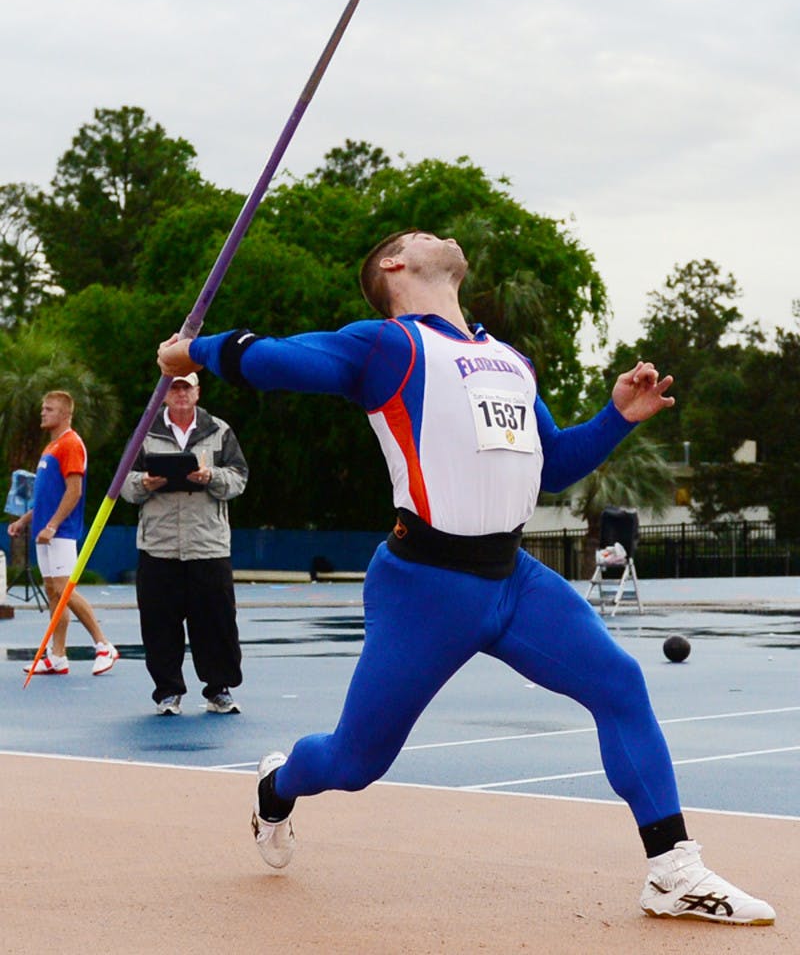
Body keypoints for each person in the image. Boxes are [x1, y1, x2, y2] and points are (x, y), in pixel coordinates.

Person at [157, 229, 775, 926]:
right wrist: (192, 353)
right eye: (420, 236)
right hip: (427, 586)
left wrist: (614, 418)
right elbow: (270, 362)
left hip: (514, 579)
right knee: (355, 764)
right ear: (395, 265)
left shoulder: (507, 361)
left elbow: (552, 465)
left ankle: (672, 870)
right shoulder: (390, 345)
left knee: (620, 684)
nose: (441, 235)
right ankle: (279, 785)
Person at [120, 372, 248, 716]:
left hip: (208, 544)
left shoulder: (219, 431)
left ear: (197, 392)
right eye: (173, 387)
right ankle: (167, 692)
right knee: (160, 622)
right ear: (163, 394)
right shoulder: (145, 432)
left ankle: (219, 689)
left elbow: (239, 478)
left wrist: (211, 477)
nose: (179, 393)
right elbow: (123, 483)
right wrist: (145, 483)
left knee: (216, 621)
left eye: (185, 387)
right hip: (158, 545)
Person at [9, 391, 118, 676]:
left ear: (65, 415)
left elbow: (74, 490)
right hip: (45, 532)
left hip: (61, 532)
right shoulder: (50, 447)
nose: (43, 413)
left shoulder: (70, 444)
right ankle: (57, 656)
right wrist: (25, 520)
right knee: (53, 593)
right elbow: (47, 496)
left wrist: (53, 525)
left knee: (64, 589)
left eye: (49, 409)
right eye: (43, 408)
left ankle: (104, 645)